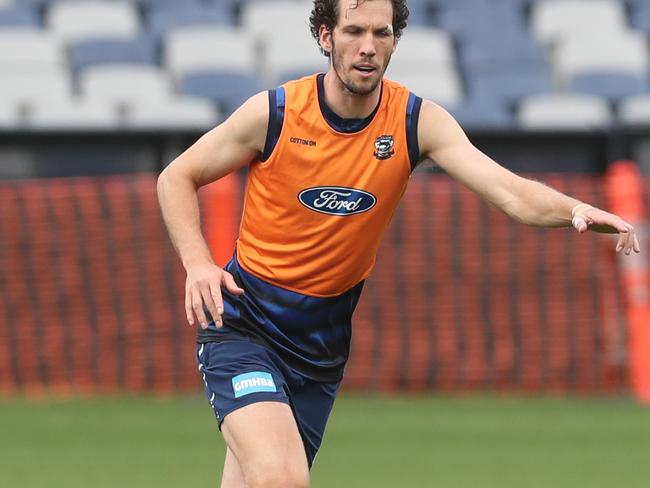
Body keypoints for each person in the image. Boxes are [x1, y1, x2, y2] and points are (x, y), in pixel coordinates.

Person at [157, 1, 640, 486]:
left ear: (394, 39)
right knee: (282, 479)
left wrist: (575, 210)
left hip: (321, 344)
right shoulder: (276, 113)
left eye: (381, 33)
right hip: (245, 324)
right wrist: (198, 263)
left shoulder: (414, 122)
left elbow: (509, 191)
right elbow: (176, 176)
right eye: (353, 32)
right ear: (325, 37)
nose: (368, 47)